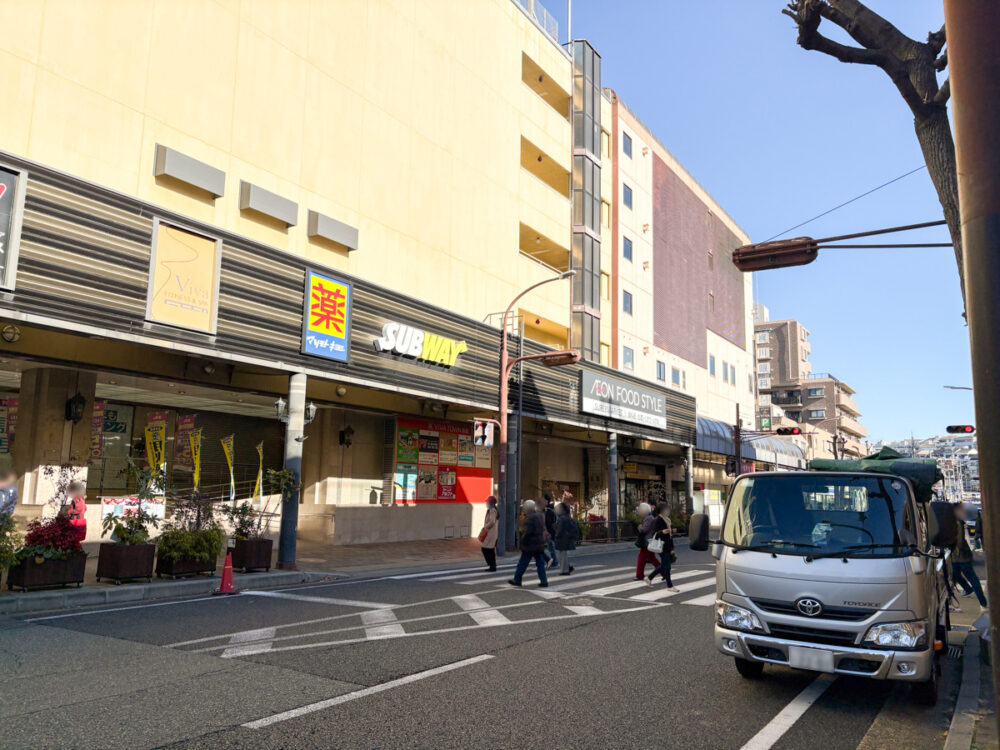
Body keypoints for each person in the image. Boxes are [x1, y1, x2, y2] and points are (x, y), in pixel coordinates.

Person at [952, 503, 987, 608]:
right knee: (956, 575)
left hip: (960, 556)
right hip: (960, 555)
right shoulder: (958, 522)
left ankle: (982, 601)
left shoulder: (957, 522)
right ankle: (969, 591)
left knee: (970, 577)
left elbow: (959, 541)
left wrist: (955, 550)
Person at [508, 499, 548, 587]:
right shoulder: (540, 516)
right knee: (540, 563)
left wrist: (522, 542)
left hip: (530, 544)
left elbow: (527, 532)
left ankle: (517, 579)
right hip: (539, 543)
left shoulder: (529, 518)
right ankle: (544, 581)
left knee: (523, 563)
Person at [645, 502, 678, 590]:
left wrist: (672, 531)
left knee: (664, 565)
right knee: (667, 566)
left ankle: (649, 578)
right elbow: (653, 534)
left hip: (667, 545)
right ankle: (669, 586)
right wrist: (662, 532)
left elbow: (669, 535)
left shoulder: (667, 520)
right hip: (661, 545)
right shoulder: (657, 520)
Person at [634, 502, 660, 581]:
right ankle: (639, 575)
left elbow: (644, 530)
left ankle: (640, 575)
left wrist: (640, 527)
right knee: (648, 559)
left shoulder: (649, 518)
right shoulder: (649, 517)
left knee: (645, 559)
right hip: (647, 542)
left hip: (647, 542)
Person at [553, 501, 578, 575]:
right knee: (563, 555)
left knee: (561, 556)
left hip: (562, 539)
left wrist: (556, 535)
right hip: (566, 539)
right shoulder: (568, 517)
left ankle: (564, 570)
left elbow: (559, 530)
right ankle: (567, 568)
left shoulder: (562, 518)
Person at [479, 496, 499, 571]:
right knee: (490, 549)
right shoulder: (492, 510)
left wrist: (485, 527)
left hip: (490, 533)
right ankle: (492, 565)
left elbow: (492, 521)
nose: (486, 503)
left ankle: (492, 565)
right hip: (491, 533)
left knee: (485, 549)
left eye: (487, 502)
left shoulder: (492, 510)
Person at [543, 493, 559, 569]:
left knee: (551, 548)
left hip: (549, 532)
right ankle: (553, 562)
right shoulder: (551, 509)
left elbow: (548, 523)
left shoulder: (548, 511)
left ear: (546, 501)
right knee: (550, 548)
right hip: (551, 532)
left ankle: (554, 562)